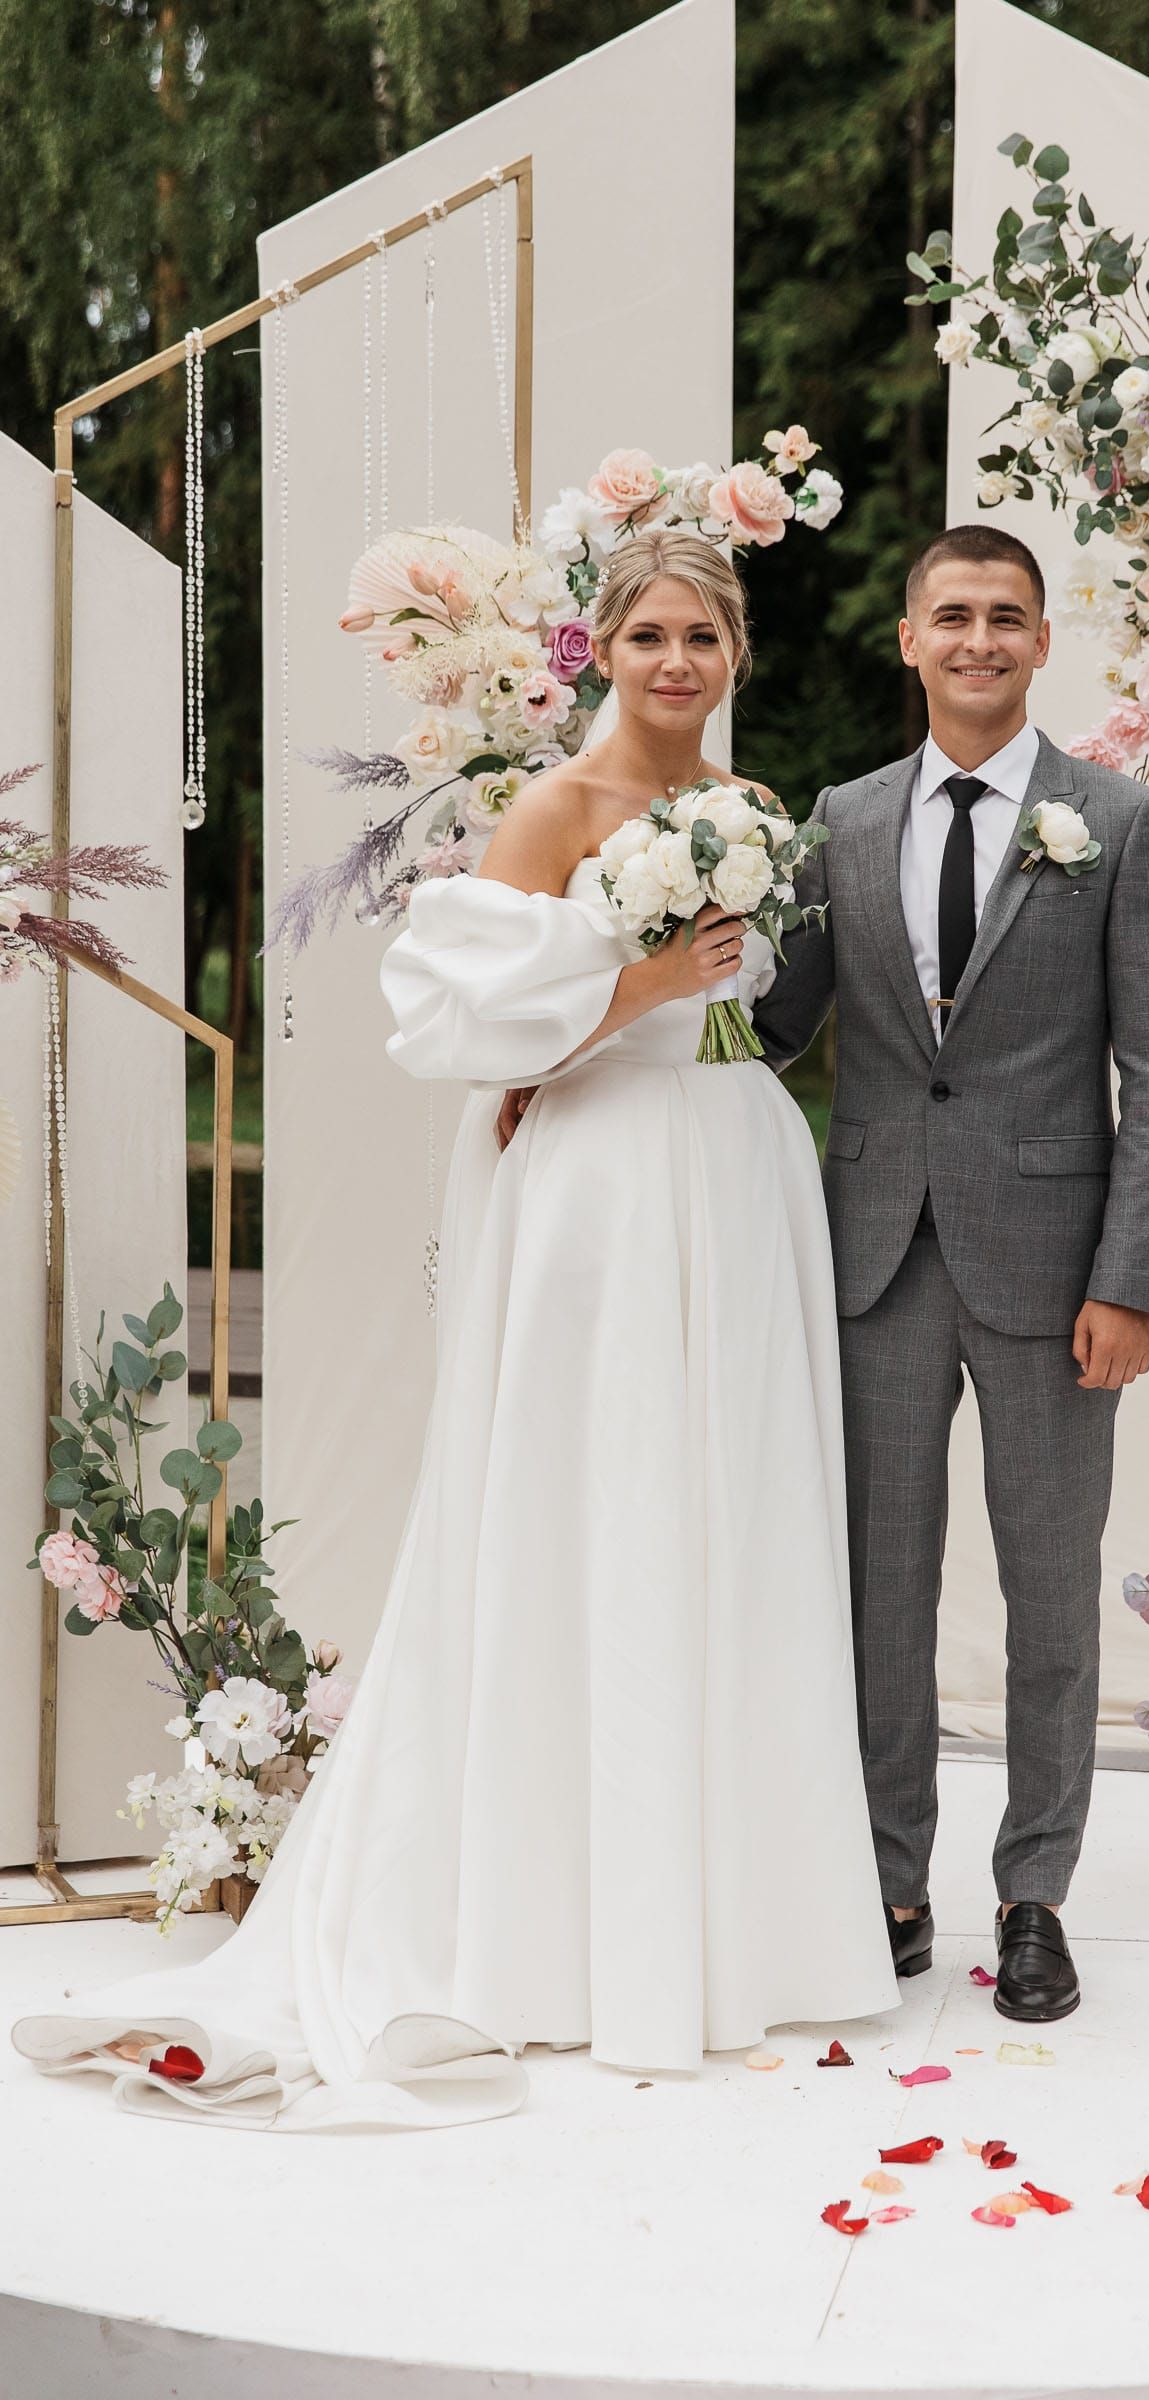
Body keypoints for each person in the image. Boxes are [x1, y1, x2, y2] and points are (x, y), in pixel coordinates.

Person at [12, 527, 899, 2130]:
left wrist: (694, 1004)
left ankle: (739, 1925)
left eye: (704, 637)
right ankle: (572, 1932)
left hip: (737, 1170)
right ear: (603, 652)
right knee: (603, 1511)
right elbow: (453, 1019)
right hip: (607, 1198)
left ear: (738, 655)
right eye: (650, 637)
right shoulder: (554, 810)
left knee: (737, 1519)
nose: (677, 664)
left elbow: (765, 1002)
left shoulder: (758, 817)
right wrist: (628, 990)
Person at [751, 523, 1149, 2025]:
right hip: (873, 1262)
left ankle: (1033, 1897)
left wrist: (1131, 1280)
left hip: (1055, 1272)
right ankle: (885, 1882)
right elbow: (768, 1029)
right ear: (906, 635)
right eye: (952, 614)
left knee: (1046, 1599)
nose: (978, 641)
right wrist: (607, 1004)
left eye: (1006, 617)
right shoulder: (842, 817)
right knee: (880, 1591)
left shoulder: (1119, 824)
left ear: (1042, 640)